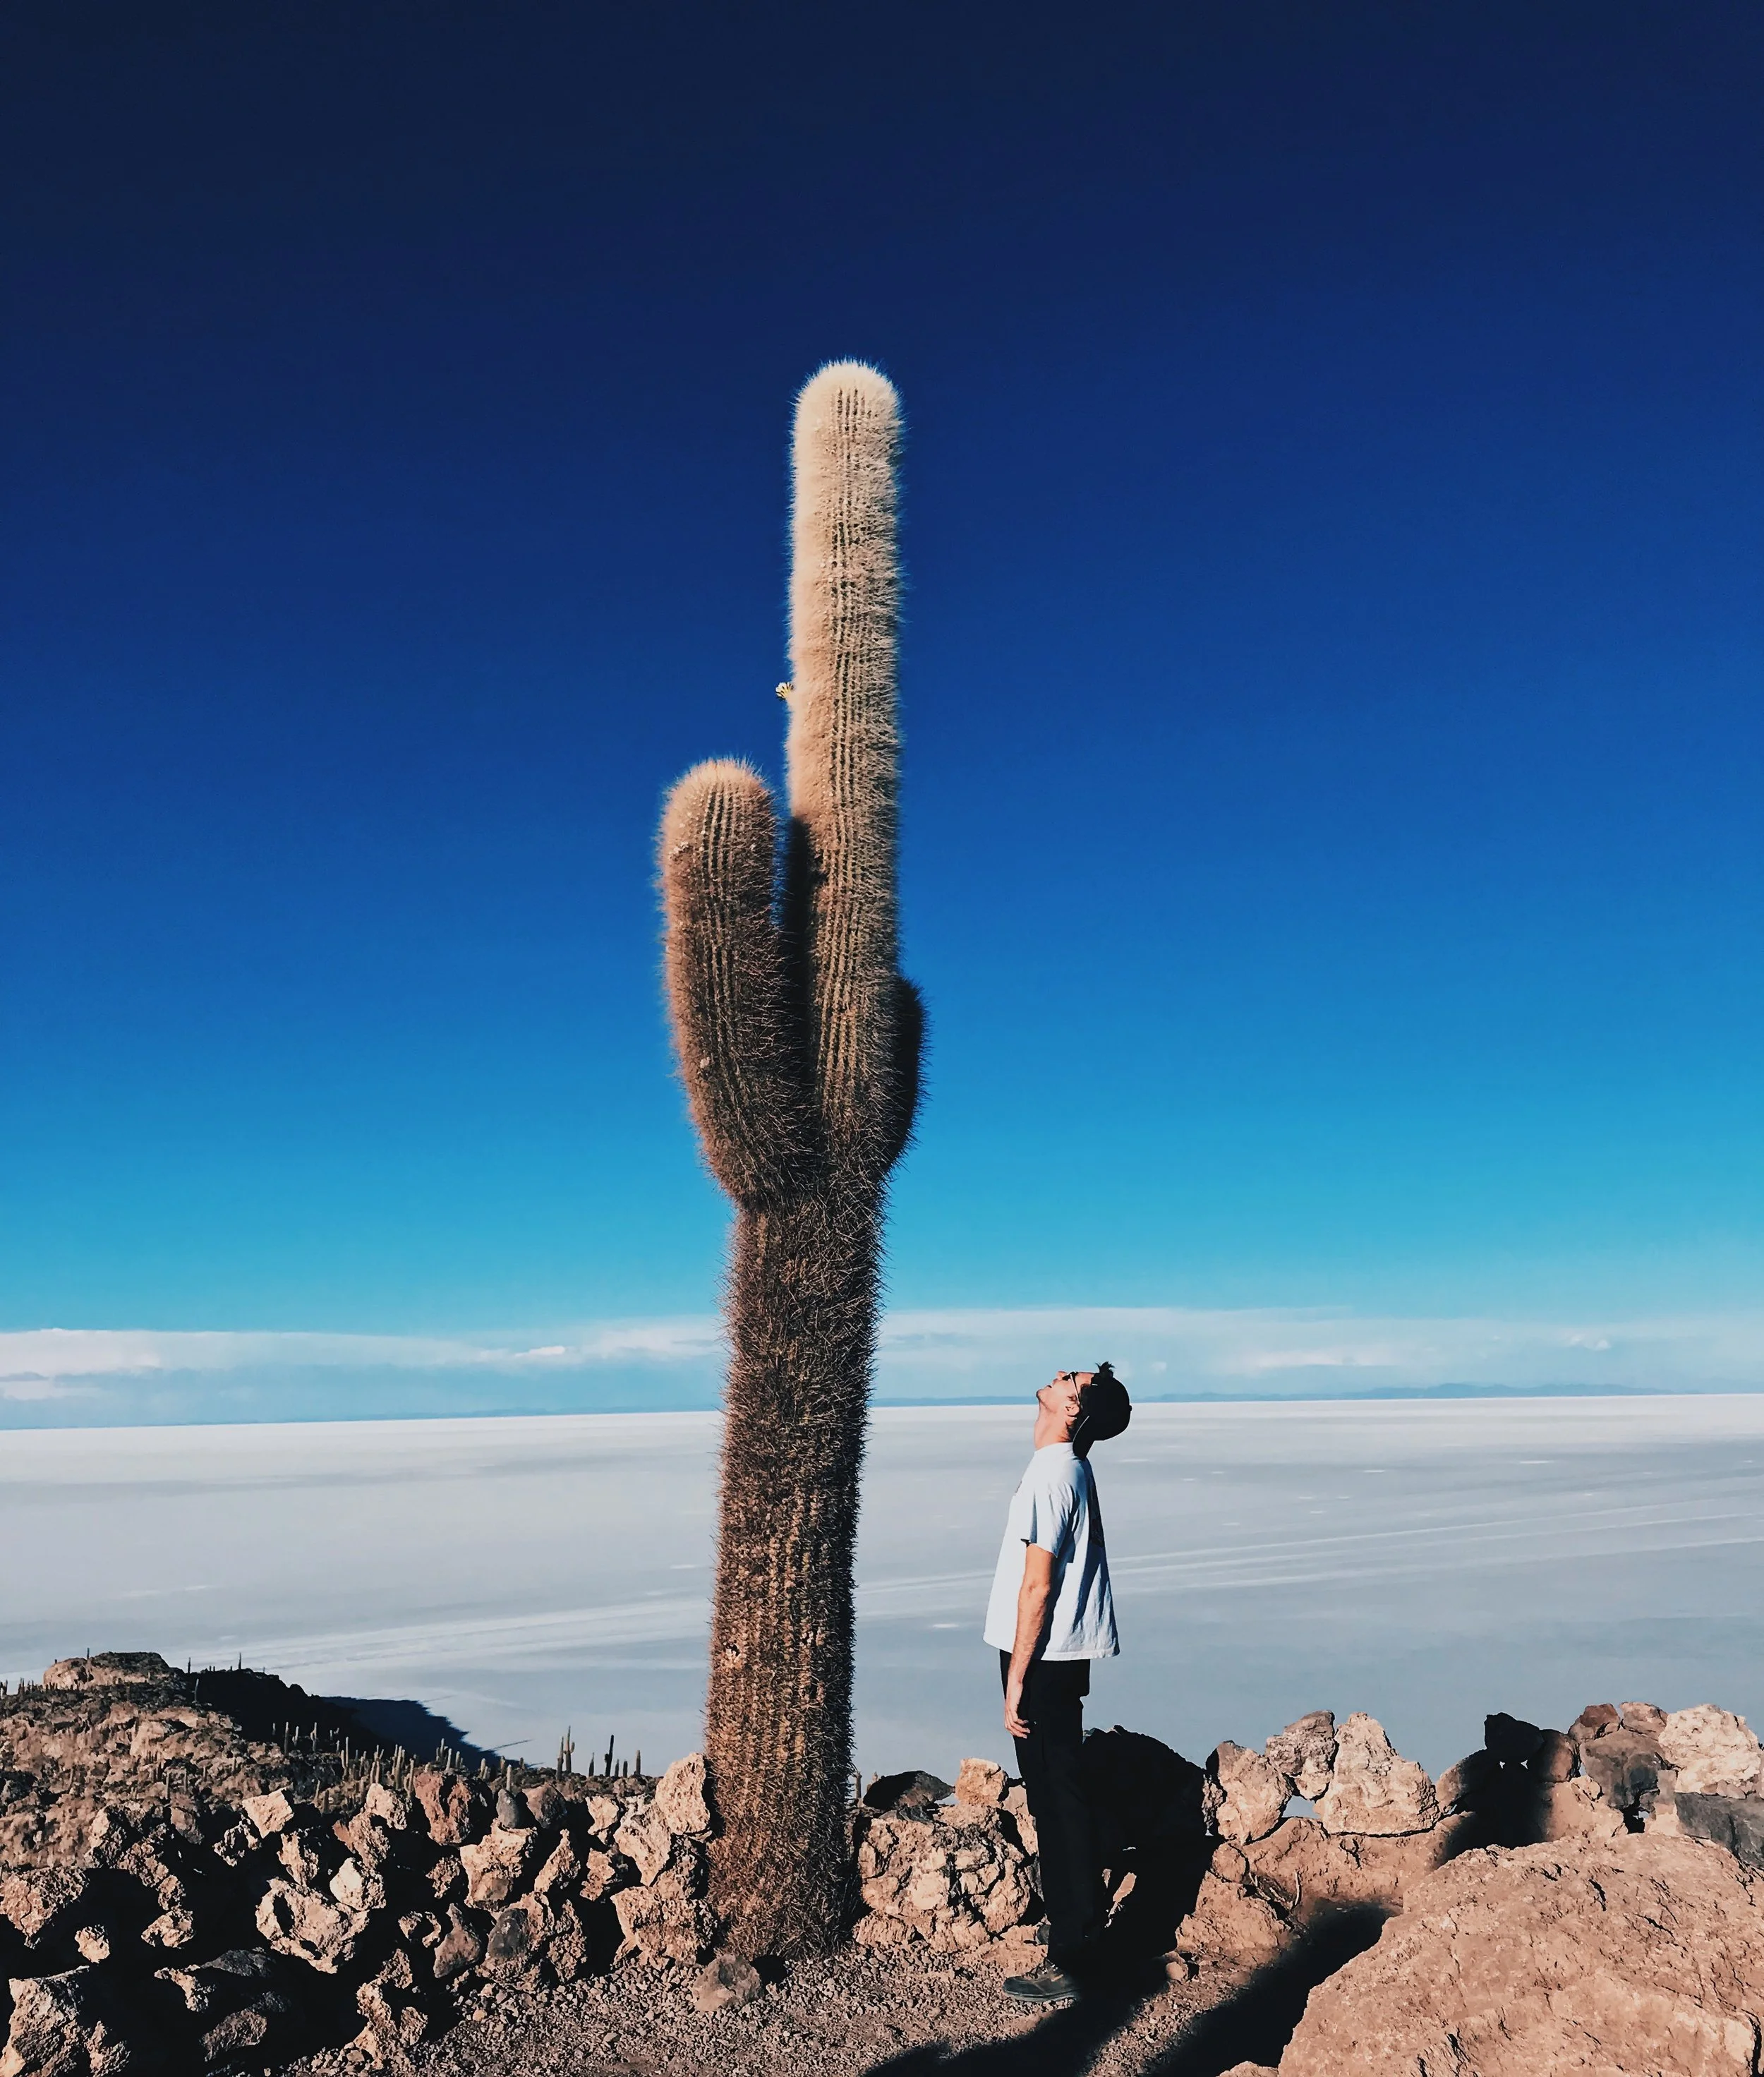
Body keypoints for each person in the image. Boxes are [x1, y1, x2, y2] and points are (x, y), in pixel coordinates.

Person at [983, 1361, 1133, 2007]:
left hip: (1041, 1656)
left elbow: (1038, 1586)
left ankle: (1072, 1951)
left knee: (1055, 1798)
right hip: (1057, 1656)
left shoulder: (1052, 1474)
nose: (1055, 1374)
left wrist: (1016, 1678)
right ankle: (1076, 1927)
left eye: (1069, 1378)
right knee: (1056, 1792)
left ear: (1072, 1410)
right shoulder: (1067, 1467)